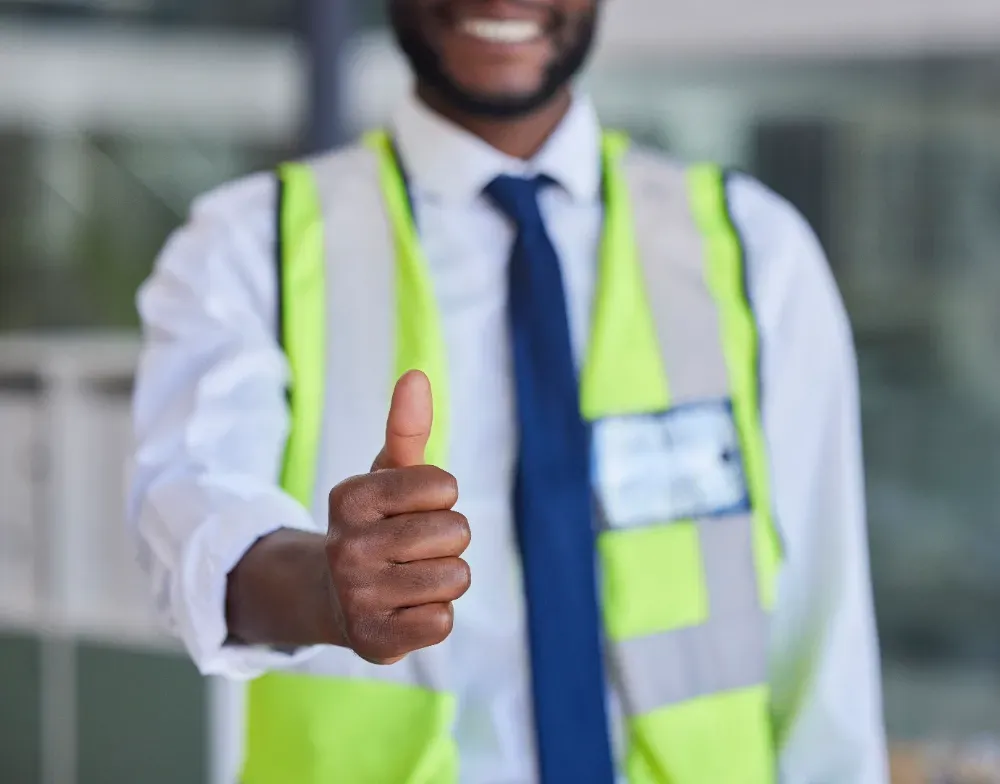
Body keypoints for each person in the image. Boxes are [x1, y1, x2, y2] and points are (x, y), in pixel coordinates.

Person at [128, 0, 888, 781]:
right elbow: (194, 517)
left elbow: (822, 638)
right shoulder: (249, 247)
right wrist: (323, 587)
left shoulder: (754, 249)